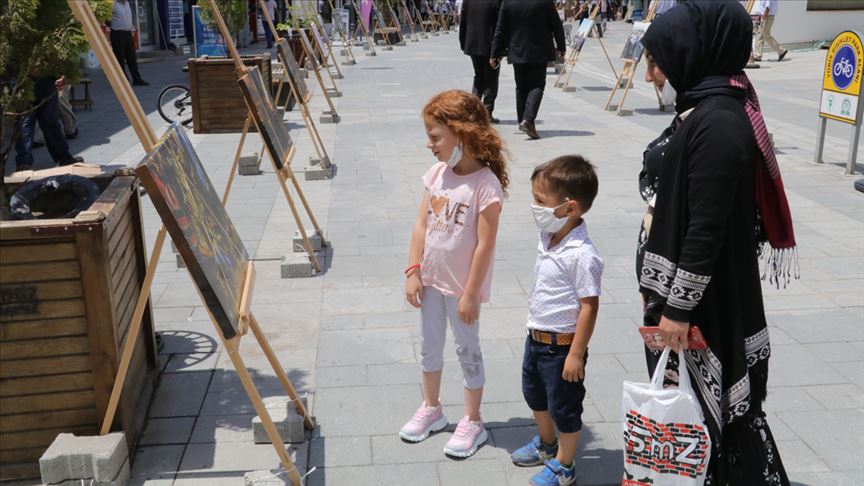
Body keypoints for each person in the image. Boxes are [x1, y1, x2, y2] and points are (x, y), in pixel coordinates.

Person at [637, 2, 794, 484]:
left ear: (695, 49)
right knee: (693, 419)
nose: (652, 73)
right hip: (688, 302)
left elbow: (706, 227)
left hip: (705, 306)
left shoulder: (720, 120)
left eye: (660, 57)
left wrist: (677, 310)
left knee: (710, 419)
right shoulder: (707, 105)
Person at [400, 90, 508, 459]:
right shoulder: (436, 175)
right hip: (429, 282)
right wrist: (413, 270)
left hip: (462, 289)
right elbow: (420, 225)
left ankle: (472, 420)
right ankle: (431, 408)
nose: (429, 145)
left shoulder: (485, 186)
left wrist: (471, 293)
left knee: (467, 349)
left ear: (462, 134)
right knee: (429, 345)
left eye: (435, 136)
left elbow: (485, 245)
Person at [511, 156, 602, 486]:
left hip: (562, 349)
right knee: (534, 396)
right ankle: (547, 446)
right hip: (535, 337)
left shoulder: (582, 254)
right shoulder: (549, 237)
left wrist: (576, 353)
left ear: (570, 208)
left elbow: (589, 306)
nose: (534, 207)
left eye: (540, 201)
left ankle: (565, 465)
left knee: (564, 408)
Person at [491, 0, 565, 140]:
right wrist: (561, 46)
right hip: (539, 50)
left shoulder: (508, 2)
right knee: (537, 85)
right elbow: (556, 23)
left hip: (517, 49)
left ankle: (522, 120)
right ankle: (528, 119)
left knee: (521, 86)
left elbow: (500, 29)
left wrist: (495, 53)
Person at [14, 76, 83, 171]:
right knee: (26, 121)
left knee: (48, 120)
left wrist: (65, 75)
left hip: (44, 76)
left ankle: (63, 157)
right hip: (25, 76)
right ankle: (23, 162)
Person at [459, 0, 502, 123]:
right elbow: (499, 25)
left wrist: (463, 43)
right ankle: (487, 112)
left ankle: (473, 111)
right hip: (489, 46)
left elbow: (463, 22)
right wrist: (500, 49)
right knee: (491, 79)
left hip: (472, 44)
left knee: (479, 77)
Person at [109, 0, 148, 86]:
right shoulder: (112, 4)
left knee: (132, 57)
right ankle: (123, 81)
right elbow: (107, 20)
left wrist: (132, 27)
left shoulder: (127, 3)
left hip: (128, 33)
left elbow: (129, 17)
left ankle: (137, 79)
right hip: (117, 33)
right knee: (120, 58)